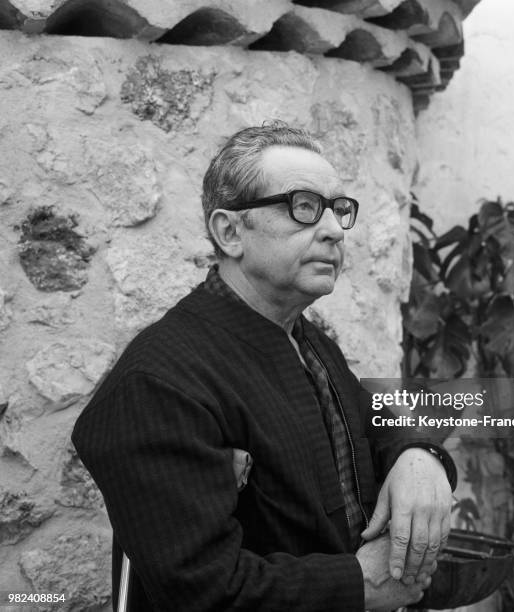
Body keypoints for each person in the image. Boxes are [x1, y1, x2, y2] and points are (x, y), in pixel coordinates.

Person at [72, 123, 457, 611]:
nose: (335, 229)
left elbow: (371, 417)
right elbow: (201, 590)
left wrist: (419, 455)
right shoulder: (157, 383)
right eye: (303, 206)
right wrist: (360, 584)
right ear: (229, 231)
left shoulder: (308, 341)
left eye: (338, 209)